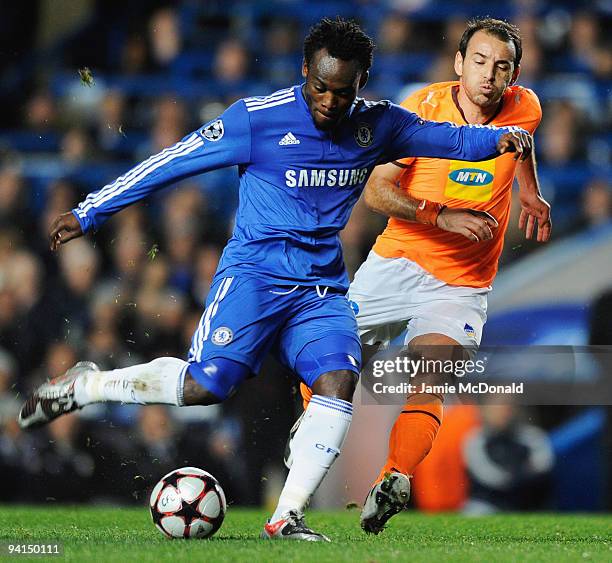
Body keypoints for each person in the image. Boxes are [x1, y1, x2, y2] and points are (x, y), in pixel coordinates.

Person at [17, 17, 532, 541]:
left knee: (338, 380)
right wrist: (90, 211)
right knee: (206, 386)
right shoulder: (255, 120)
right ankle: (89, 385)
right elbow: (170, 163)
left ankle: (287, 517)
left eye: (344, 92)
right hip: (254, 277)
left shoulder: (380, 124)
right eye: (320, 88)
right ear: (304, 70)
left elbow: (455, 140)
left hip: (320, 288)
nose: (330, 103)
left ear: (362, 82)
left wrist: (506, 139)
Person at [290, 17, 551, 534]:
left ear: (514, 75)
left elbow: (521, 143)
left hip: (462, 280)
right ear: (459, 64)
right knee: (330, 352)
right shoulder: (419, 113)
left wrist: (530, 190)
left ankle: (394, 477)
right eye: (478, 62)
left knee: (432, 372)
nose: (488, 76)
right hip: (398, 260)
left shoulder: (528, 106)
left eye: (501, 67)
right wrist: (440, 215)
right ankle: (312, 425)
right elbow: (378, 191)